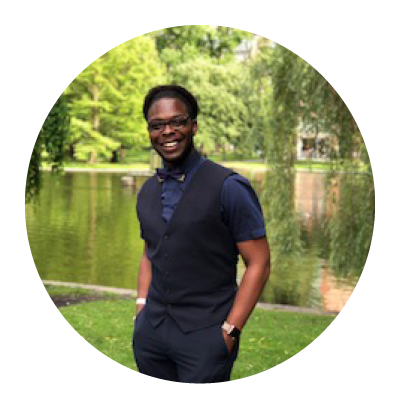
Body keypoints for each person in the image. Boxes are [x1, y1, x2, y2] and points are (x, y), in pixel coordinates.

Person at [132, 84, 270, 384]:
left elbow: (259, 263)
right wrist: (141, 307)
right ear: (150, 132)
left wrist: (231, 330)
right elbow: (149, 252)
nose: (167, 131)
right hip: (151, 336)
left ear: (193, 126)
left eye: (177, 121)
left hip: (206, 337)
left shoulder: (230, 187)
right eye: (157, 125)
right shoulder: (147, 191)